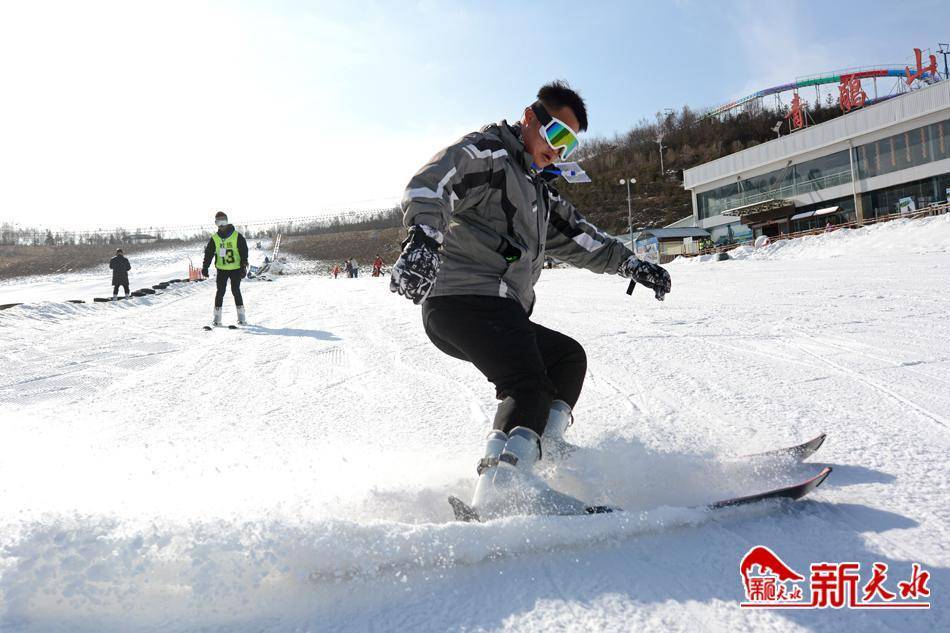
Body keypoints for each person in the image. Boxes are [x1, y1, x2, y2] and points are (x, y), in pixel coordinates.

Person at [390, 81, 671, 518]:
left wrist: (633, 265)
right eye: (556, 134)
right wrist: (424, 238)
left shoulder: (539, 191)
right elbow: (431, 183)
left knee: (566, 359)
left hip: (497, 306)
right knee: (528, 382)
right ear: (529, 118)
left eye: (570, 143)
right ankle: (503, 488)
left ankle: (538, 448)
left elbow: (583, 238)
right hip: (461, 298)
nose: (558, 150)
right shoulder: (489, 154)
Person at [201, 211, 249, 326]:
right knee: (220, 292)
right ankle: (217, 319)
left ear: (227, 221)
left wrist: (243, 265)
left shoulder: (237, 236)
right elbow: (209, 253)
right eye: (218, 222)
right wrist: (205, 267)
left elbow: (244, 251)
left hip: (236, 269)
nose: (221, 224)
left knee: (235, 290)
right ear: (216, 223)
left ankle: (241, 317)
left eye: (223, 221)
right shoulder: (215, 238)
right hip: (222, 269)